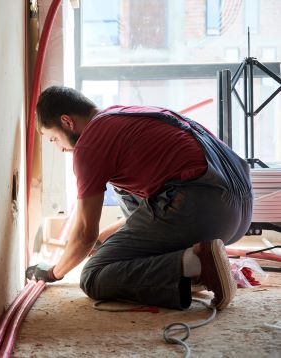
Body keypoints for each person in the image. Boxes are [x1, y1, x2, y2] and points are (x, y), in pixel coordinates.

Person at [25, 86, 252, 310]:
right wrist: (104, 241)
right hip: (239, 211)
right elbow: (144, 212)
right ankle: (196, 263)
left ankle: (198, 265)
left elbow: (85, 234)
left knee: (94, 275)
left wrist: (53, 272)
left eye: (53, 139)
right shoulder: (126, 116)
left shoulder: (90, 143)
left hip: (200, 206)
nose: (60, 149)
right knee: (124, 188)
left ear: (67, 122)